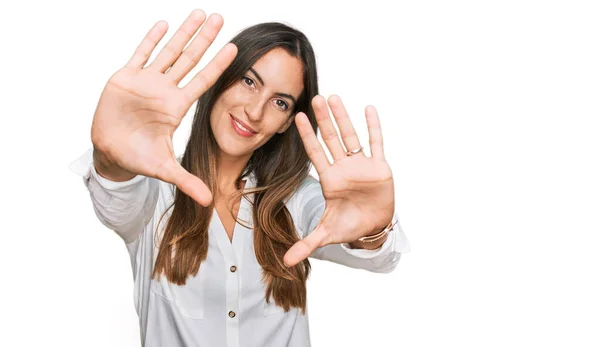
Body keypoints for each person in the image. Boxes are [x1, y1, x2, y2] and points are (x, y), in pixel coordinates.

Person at [69, 9, 410, 347]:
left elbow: (374, 249)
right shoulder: (155, 195)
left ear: (288, 122)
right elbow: (115, 198)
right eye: (249, 81)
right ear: (220, 78)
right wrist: (110, 158)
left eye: (279, 102)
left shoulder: (298, 198)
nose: (255, 111)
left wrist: (371, 231)